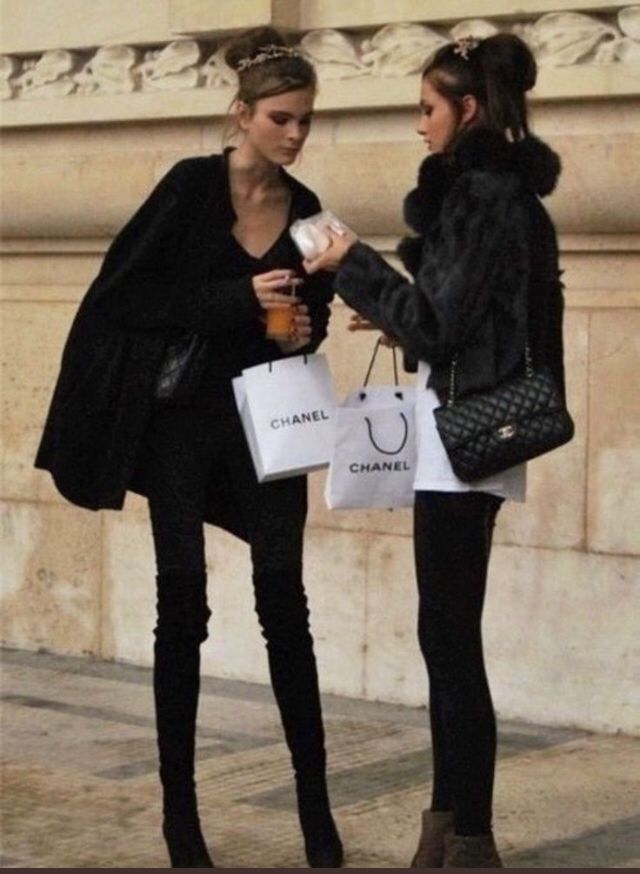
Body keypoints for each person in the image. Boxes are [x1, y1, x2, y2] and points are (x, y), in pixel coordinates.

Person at [35, 26, 343, 870]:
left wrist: (298, 329)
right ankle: (183, 817)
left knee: (287, 606)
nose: (295, 134)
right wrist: (234, 296)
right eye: (281, 118)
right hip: (182, 425)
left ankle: (317, 813)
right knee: (184, 609)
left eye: (305, 120)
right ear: (241, 115)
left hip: (266, 425)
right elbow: (123, 297)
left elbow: (299, 331)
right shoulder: (187, 188)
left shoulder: (311, 210)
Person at [305, 33, 567, 868]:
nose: (420, 127)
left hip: (465, 438)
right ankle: (447, 825)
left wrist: (356, 268)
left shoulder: (484, 196)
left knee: (451, 641)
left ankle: (472, 838)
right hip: (466, 428)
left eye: (428, 110)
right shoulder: (503, 196)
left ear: (470, 110)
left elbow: (441, 324)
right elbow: (473, 321)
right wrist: (398, 309)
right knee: (442, 635)